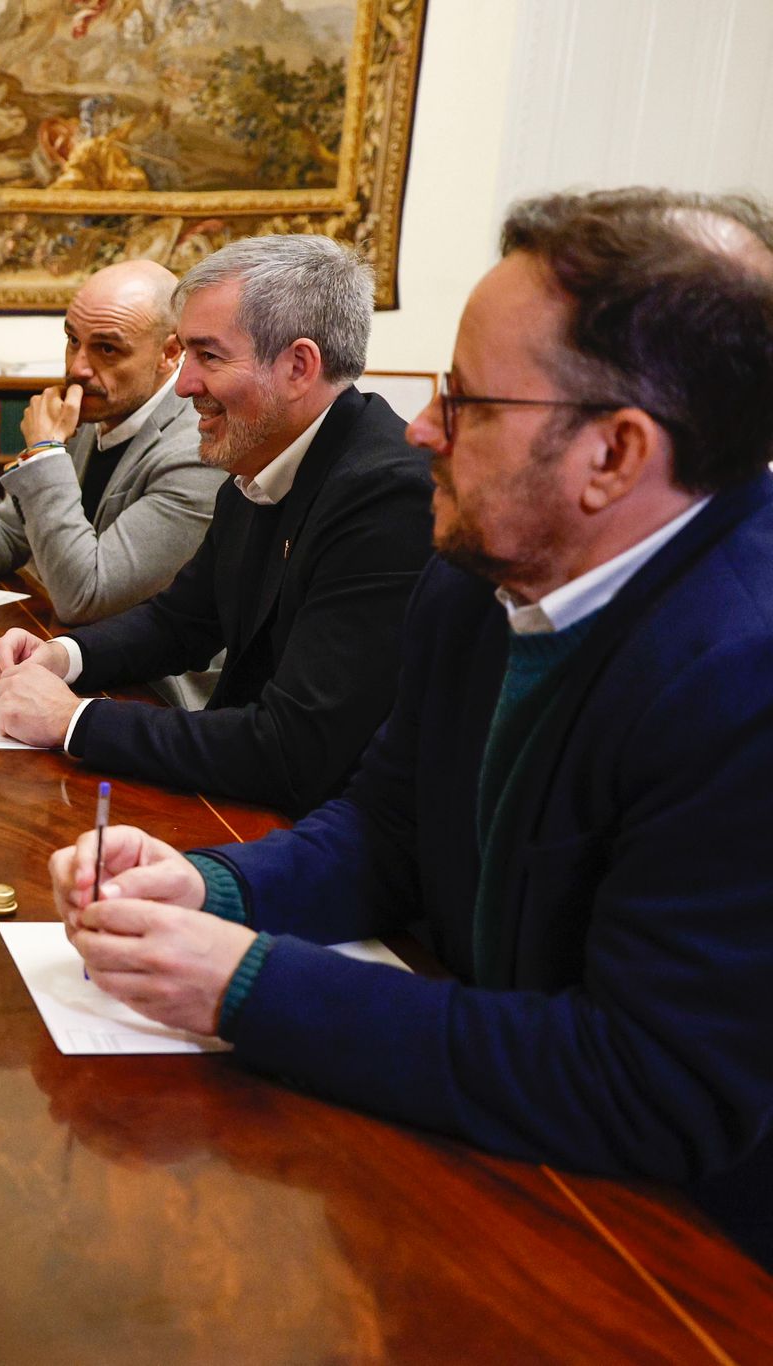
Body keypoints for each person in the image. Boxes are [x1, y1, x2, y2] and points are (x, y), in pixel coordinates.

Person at [51, 189, 773, 1266]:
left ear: (613, 456)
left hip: (661, 1254)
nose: (421, 427)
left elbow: (648, 1085)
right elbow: (383, 830)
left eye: (468, 401)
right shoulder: (472, 573)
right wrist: (211, 888)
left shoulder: (743, 674)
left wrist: (244, 981)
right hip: (478, 1151)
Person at [0, 235, 433, 814]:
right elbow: (182, 622)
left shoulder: (389, 495)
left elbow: (293, 750)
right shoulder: (262, 451)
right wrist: (62, 656)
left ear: (298, 366)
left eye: (208, 357)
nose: (185, 384)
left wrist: (74, 720)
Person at [0, 260, 221, 659]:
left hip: (152, 689)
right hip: (72, 651)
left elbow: (85, 597)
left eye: (107, 348)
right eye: (72, 340)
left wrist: (44, 453)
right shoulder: (97, 409)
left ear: (170, 352)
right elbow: (15, 524)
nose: (78, 368)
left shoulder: (196, 452)